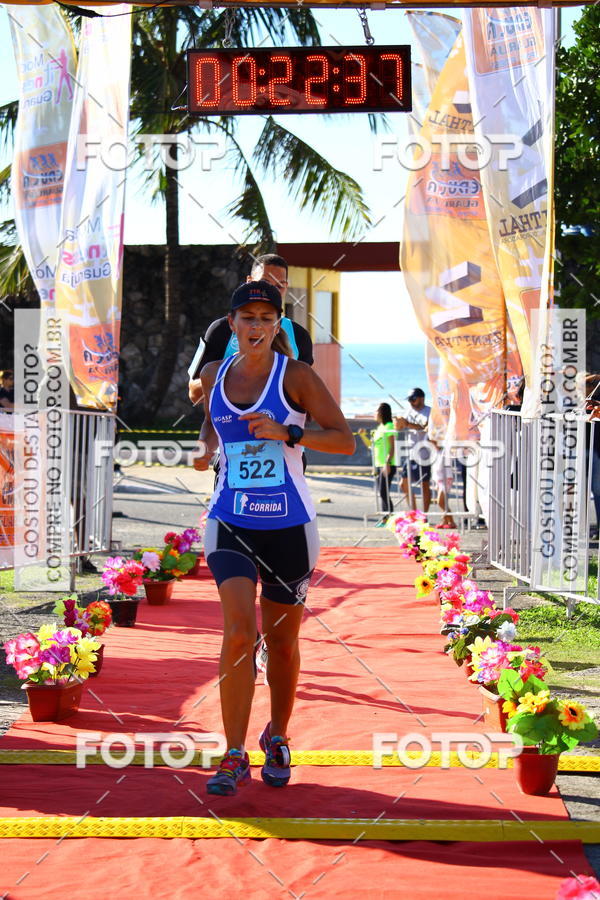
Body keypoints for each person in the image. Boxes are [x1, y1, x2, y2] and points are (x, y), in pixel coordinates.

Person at [193, 279, 354, 796]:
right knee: (239, 633)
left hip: (288, 525)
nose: (257, 326)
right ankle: (234, 753)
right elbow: (214, 427)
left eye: (267, 318)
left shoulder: (297, 377)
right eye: (248, 318)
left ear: (277, 325)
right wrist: (203, 447)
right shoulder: (216, 373)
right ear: (232, 324)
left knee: (282, 643)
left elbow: (346, 441)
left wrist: (291, 433)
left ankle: (278, 736)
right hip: (229, 520)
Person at [188, 254, 313, 407]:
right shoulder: (221, 329)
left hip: (279, 429)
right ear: (249, 282)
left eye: (279, 286)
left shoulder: (299, 336)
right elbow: (194, 395)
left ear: (286, 287)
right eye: (264, 283)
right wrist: (230, 372)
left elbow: (309, 399)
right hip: (228, 428)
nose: (271, 290)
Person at [358, 403, 397, 527]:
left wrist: (387, 463)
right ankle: (387, 518)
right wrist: (362, 436)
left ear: (382, 412)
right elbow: (371, 445)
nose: (374, 414)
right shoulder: (379, 428)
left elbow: (392, 446)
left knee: (383, 491)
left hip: (388, 464)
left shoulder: (389, 426)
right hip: (379, 464)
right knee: (382, 491)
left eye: (376, 411)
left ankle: (389, 518)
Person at [395, 387, 431, 512]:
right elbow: (399, 428)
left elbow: (424, 426)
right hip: (411, 453)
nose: (411, 402)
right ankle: (414, 512)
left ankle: (424, 515)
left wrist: (407, 424)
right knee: (403, 483)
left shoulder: (429, 411)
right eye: (409, 399)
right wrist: (398, 422)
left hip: (424, 453)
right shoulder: (408, 411)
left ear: (422, 398)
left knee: (424, 485)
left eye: (413, 399)